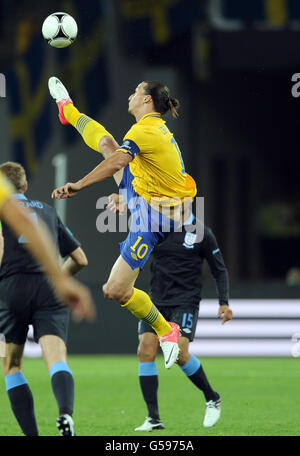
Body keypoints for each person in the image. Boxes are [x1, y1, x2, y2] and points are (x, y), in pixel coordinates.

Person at [48, 77, 198, 369]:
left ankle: (167, 330)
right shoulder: (151, 130)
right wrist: (125, 195)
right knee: (106, 143)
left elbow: (118, 163)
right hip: (146, 197)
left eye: (134, 91)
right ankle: (68, 110)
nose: (130, 95)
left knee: (113, 290)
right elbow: (121, 158)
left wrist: (80, 184)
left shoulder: (146, 131)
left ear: (146, 100)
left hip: (156, 218)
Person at [108, 194, 232, 431]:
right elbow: (137, 220)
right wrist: (121, 200)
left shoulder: (202, 233)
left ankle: (212, 396)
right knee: (145, 350)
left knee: (179, 352)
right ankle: (153, 418)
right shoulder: (157, 228)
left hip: (185, 302)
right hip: (156, 300)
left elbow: (220, 270)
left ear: (187, 203)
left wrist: (224, 302)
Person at [0, 162, 91, 436]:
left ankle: (32, 435)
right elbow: (80, 259)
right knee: (56, 357)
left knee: (12, 364)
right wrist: (60, 279)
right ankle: (65, 414)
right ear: (25, 187)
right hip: (49, 288)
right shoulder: (49, 212)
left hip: (12, 287)